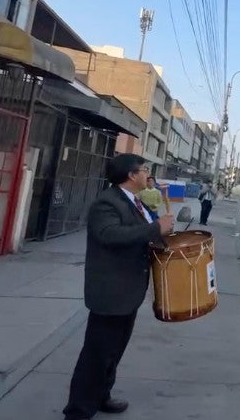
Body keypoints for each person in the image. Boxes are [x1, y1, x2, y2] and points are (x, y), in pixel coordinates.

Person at [62, 154, 175, 420]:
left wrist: (160, 234)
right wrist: (156, 228)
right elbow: (109, 235)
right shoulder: (107, 203)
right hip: (111, 292)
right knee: (97, 355)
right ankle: (78, 411)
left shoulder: (134, 201)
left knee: (114, 351)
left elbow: (141, 235)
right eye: (145, 170)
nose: (148, 175)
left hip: (129, 291)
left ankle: (102, 396)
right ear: (131, 175)